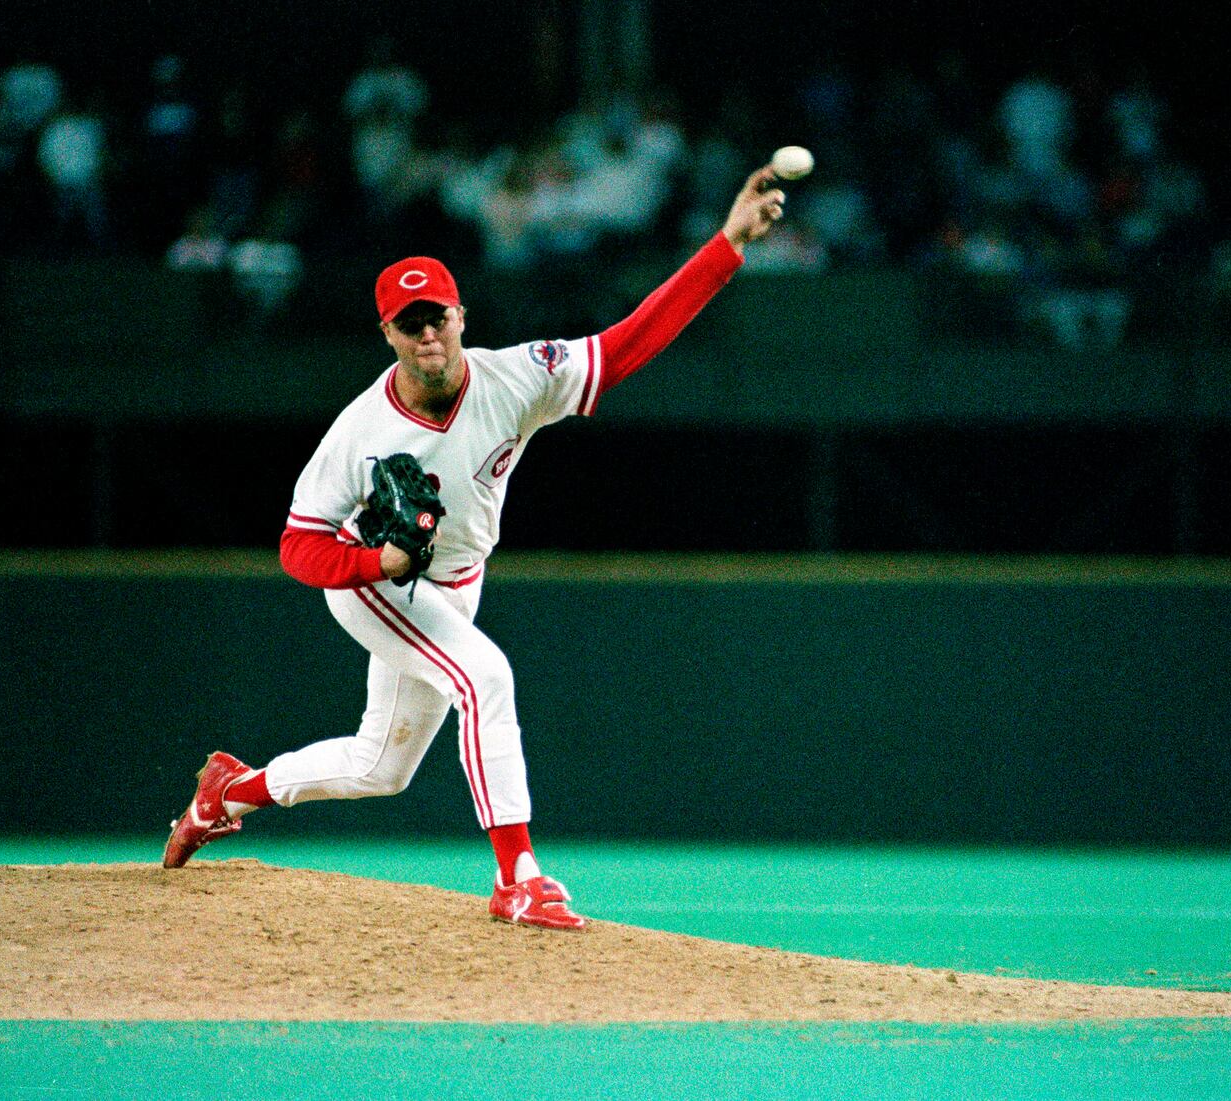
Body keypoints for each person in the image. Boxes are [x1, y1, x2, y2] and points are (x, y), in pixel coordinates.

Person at [162, 164, 789, 930]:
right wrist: (375, 563)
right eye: (409, 321)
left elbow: (625, 347)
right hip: (378, 582)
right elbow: (298, 546)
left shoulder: (516, 377)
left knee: (379, 767)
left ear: (462, 314)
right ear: (387, 333)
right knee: (486, 674)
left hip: (453, 580)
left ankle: (226, 791)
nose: (428, 332)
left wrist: (726, 245)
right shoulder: (362, 431)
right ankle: (517, 878)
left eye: (438, 316)